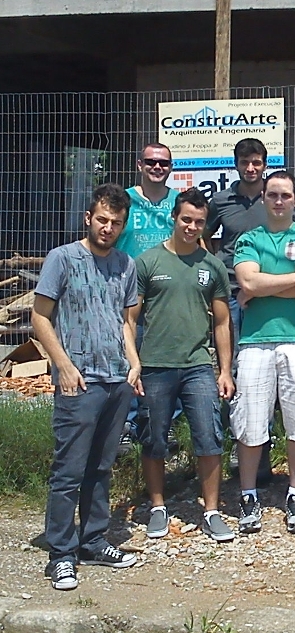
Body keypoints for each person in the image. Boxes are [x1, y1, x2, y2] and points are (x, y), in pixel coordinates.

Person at [32, 183, 141, 591]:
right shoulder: (62, 259)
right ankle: (61, 553)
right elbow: (40, 317)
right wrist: (62, 366)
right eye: (102, 219)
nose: (107, 228)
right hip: (78, 380)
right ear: (88, 218)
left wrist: (134, 362)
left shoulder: (125, 265)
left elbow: (125, 321)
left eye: (116, 222)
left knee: (101, 466)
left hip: (117, 380)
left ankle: (93, 540)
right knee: (69, 470)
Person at [129, 188, 236, 543]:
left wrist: (224, 370)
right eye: (186, 219)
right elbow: (129, 320)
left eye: (199, 222)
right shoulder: (148, 262)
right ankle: (158, 506)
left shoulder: (213, 266)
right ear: (174, 218)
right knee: (154, 438)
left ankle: (212, 510)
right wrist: (134, 364)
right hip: (156, 365)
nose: (192, 227)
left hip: (198, 366)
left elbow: (222, 323)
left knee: (209, 437)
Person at [232, 170, 295, 534]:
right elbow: (248, 280)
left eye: (285, 195)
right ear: (263, 198)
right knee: (251, 422)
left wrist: (260, 289)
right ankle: (248, 494)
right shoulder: (249, 239)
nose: (279, 201)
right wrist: (288, 280)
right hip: (255, 341)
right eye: (272, 194)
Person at [204, 137, 273, 485]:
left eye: (257, 161)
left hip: (265, 296)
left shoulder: (274, 199)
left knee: (265, 370)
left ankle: (262, 450)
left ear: (264, 163)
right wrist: (214, 269)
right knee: (230, 369)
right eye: (245, 161)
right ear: (236, 164)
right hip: (229, 295)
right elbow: (201, 236)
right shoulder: (220, 201)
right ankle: (235, 441)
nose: (251, 168)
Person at [116, 143, 180, 449]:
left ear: (171, 167)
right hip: (128, 292)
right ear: (140, 164)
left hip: (168, 295)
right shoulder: (124, 201)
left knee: (167, 361)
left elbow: (197, 242)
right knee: (129, 358)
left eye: (164, 163)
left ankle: (165, 424)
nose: (158, 167)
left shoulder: (178, 202)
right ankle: (127, 423)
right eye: (152, 162)